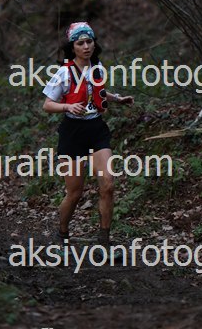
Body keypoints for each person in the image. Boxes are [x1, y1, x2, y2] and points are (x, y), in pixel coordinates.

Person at [42, 22, 134, 249]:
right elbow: (47, 104)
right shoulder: (64, 72)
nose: (86, 47)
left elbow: (97, 92)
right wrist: (67, 107)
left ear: (94, 43)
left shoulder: (97, 67)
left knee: (108, 185)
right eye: (80, 43)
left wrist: (117, 99)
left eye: (89, 41)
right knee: (75, 193)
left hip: (96, 130)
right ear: (72, 47)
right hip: (72, 133)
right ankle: (62, 233)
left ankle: (104, 240)